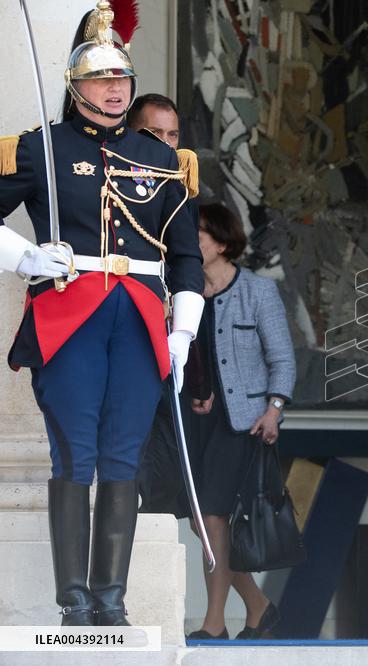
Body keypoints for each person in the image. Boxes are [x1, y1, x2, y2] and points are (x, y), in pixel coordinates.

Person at [0, 1, 203, 625]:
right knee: (74, 455)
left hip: (141, 317)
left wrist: (185, 329)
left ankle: (111, 600)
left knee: (124, 455)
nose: (115, 91)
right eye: (101, 80)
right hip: (71, 312)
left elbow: (187, 256)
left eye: (121, 80)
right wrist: (29, 258)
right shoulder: (40, 149)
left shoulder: (163, 158)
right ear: (76, 86)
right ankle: (73, 602)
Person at [183, 202, 295, 640]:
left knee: (212, 519)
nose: (191, 243)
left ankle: (214, 625)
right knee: (201, 522)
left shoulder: (257, 292)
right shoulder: (183, 291)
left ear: (224, 243)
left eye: (200, 235)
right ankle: (258, 606)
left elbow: (282, 358)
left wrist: (275, 409)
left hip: (244, 423)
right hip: (197, 423)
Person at [125, 92, 195, 515]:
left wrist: (184, 334)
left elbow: (187, 262)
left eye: (173, 136)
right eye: (153, 134)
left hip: (162, 324)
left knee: (158, 438)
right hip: (117, 316)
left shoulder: (178, 186)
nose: (165, 145)